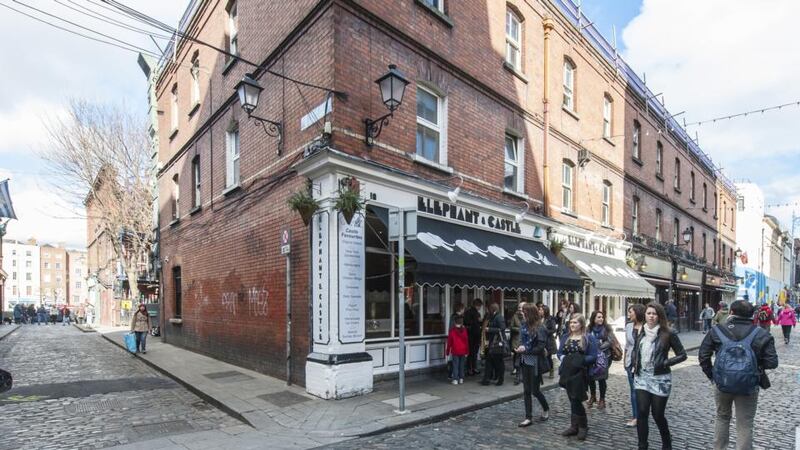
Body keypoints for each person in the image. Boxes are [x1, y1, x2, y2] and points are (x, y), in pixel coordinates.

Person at [698, 300, 778, 450]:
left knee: (722, 417)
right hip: (749, 386)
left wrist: (713, 377)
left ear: (731, 313)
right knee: (745, 423)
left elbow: (703, 356)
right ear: (751, 315)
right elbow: (772, 362)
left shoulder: (717, 330)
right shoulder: (761, 333)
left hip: (722, 384)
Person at [631, 302, 686, 450]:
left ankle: (667, 442)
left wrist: (665, 363)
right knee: (642, 411)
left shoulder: (668, 333)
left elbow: (682, 355)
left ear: (659, 316)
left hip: (660, 378)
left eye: (654, 314)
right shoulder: (640, 331)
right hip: (642, 377)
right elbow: (636, 350)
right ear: (645, 315)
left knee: (657, 414)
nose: (651, 316)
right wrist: (633, 364)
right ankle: (642, 445)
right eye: (649, 313)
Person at [557, 314, 597, 441]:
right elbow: (559, 353)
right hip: (567, 372)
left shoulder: (588, 338)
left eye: (575, 322)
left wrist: (579, 361)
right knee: (571, 398)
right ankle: (574, 426)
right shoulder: (565, 337)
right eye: (571, 323)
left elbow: (593, 356)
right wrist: (566, 359)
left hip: (580, 373)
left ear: (581, 324)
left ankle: (583, 427)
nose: (572, 325)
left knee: (576, 399)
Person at [516, 303, 550, 427]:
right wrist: (520, 347)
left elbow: (540, 347)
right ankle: (528, 417)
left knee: (535, 391)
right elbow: (520, 340)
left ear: (530, 313)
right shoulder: (523, 325)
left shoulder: (540, 328)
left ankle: (546, 408)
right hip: (525, 361)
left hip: (535, 363)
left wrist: (525, 349)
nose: (522, 314)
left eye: (524, 312)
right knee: (526, 391)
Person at [587, 310, 615, 409]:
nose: (601, 319)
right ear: (593, 319)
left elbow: (610, 340)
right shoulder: (589, 329)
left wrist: (598, 347)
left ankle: (602, 399)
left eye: (602, 317)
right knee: (591, 377)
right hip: (592, 356)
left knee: (601, 378)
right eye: (599, 317)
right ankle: (593, 396)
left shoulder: (607, 328)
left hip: (604, 356)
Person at [624, 304, 646, 428]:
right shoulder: (628, 326)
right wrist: (624, 360)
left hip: (643, 363)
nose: (629, 315)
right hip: (630, 362)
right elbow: (627, 345)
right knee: (633, 390)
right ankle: (636, 416)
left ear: (637, 313)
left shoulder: (647, 327)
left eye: (630, 312)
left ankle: (642, 415)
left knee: (641, 391)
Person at [481, 302, 507, 386]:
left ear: (493, 309)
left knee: (498, 362)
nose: (488, 310)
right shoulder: (491, 316)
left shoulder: (499, 317)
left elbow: (502, 328)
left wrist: (489, 329)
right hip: (491, 342)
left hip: (497, 343)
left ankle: (500, 379)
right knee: (489, 362)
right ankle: (487, 379)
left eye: (489, 309)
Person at [445, 315, 469, 384]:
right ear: (462, 323)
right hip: (463, 350)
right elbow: (466, 341)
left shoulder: (452, 331)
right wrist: (467, 351)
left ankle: (455, 379)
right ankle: (461, 378)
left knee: (455, 365)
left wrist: (447, 352)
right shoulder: (464, 330)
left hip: (455, 350)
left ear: (455, 322)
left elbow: (449, 342)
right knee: (462, 365)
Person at [464, 299, 483, 376]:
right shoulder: (474, 313)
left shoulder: (468, 312)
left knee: (471, 353)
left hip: (471, 335)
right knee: (473, 353)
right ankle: (472, 368)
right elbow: (469, 323)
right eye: (480, 306)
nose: (480, 308)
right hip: (474, 335)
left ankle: (471, 368)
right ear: (477, 305)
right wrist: (479, 321)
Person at [540, 304, 558, 379]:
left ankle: (551, 370)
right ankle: (541, 370)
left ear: (545, 311)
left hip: (548, 341)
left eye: (541, 310)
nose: (539, 311)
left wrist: (545, 331)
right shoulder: (539, 318)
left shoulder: (550, 319)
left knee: (548, 356)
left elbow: (553, 329)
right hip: (540, 340)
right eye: (539, 309)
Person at [510, 302, 525, 384]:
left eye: (521, 308)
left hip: (525, 341)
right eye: (519, 308)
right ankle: (517, 377)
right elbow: (511, 327)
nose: (520, 309)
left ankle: (522, 376)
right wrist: (518, 329)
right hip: (516, 340)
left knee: (523, 359)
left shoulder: (527, 316)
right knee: (517, 358)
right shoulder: (515, 316)